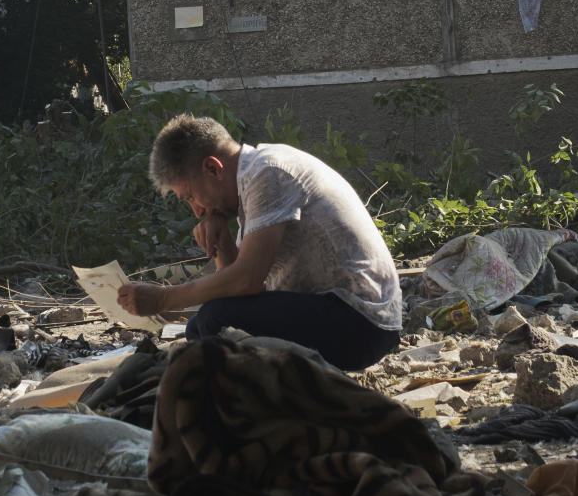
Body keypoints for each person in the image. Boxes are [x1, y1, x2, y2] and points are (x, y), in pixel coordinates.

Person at [116, 114, 402, 370]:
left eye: (190, 196)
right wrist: (222, 241)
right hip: (342, 315)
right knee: (201, 327)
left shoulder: (268, 173)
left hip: (362, 322)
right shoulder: (251, 181)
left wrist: (163, 299)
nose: (197, 211)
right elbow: (243, 293)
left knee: (214, 322)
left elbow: (246, 281)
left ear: (213, 168)